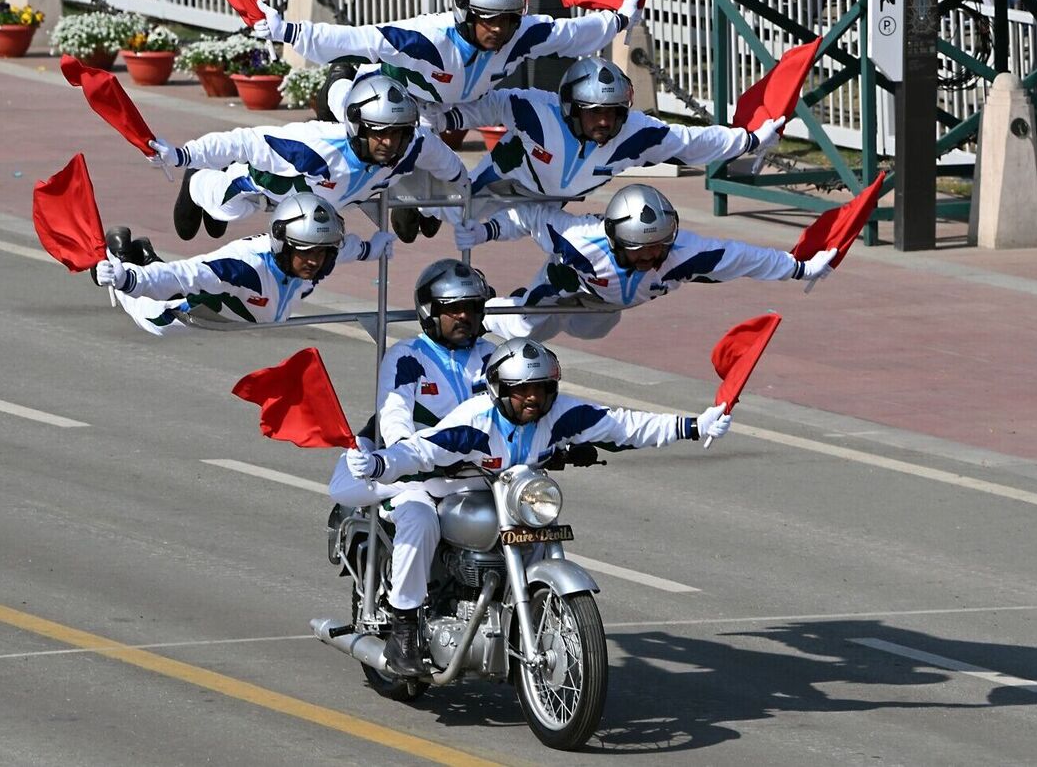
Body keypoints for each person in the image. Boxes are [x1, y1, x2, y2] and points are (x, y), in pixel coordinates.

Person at [331, 336, 733, 676]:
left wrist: (694, 425)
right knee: (418, 518)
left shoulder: (559, 414)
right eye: (521, 389)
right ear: (499, 391)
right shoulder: (474, 421)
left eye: (541, 388)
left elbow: (622, 424)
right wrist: (383, 463)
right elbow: (422, 450)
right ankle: (404, 630)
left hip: (507, 492)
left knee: (532, 532)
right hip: (440, 485)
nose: (532, 398)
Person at [457, 183, 839, 341]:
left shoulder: (683, 252)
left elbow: (741, 257)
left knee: (592, 332)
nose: (654, 257)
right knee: (527, 329)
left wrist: (800, 267)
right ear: (617, 239)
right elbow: (529, 217)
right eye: (642, 251)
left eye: (660, 246)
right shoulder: (576, 240)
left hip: (608, 306)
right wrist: (486, 231)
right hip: (568, 284)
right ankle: (486, 308)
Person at [250, 0, 640, 116]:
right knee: (403, 152)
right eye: (490, 20)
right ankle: (338, 84)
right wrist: (286, 31)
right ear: (465, 14)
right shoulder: (426, 39)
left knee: (534, 107)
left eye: (508, 20)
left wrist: (619, 17)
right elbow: (357, 37)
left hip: (467, 105)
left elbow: (571, 35)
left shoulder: (522, 33)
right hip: (400, 98)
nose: (501, 31)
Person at [432, 56, 786, 215]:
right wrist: (440, 116)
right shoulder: (533, 109)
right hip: (499, 188)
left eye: (613, 112)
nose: (605, 121)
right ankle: (421, 212)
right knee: (449, 211)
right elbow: (486, 105)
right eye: (595, 112)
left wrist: (750, 139)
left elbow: (692, 143)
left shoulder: (636, 133)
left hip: (550, 208)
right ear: (571, 106)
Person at [145, 73, 467, 242]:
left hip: (335, 201)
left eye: (397, 133)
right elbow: (241, 141)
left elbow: (453, 171)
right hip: (262, 190)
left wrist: (467, 194)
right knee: (227, 208)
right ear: (357, 127)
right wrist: (184, 155)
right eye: (379, 132)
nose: (388, 142)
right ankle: (197, 182)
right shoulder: (311, 148)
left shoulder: (416, 142)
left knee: (409, 218)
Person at [91, 192, 394, 335]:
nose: (314, 260)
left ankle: (142, 257)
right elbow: (183, 274)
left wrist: (372, 248)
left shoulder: (319, 256)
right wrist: (127, 280)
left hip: (249, 314)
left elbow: (345, 248)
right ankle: (117, 257)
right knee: (150, 317)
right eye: (305, 251)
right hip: (179, 315)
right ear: (283, 244)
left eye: (321, 251)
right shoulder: (245, 269)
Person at [376, 259, 498, 444]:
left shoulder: (492, 355)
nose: (464, 315)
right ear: (429, 311)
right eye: (454, 308)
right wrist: (403, 449)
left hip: (487, 464)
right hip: (427, 466)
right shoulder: (407, 356)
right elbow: (394, 412)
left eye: (471, 307)